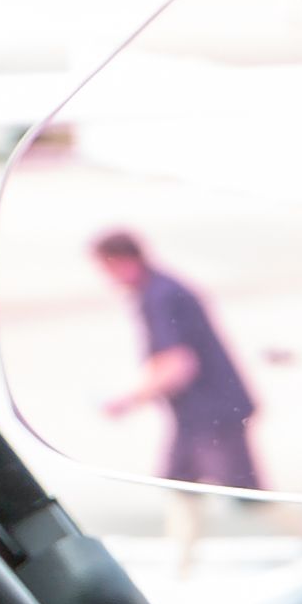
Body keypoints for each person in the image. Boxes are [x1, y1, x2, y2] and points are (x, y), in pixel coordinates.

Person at [91, 229, 257, 550]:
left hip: (213, 413)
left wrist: (128, 400)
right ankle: (182, 566)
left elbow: (178, 363)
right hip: (195, 414)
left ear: (121, 262)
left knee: (251, 497)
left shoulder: (161, 295)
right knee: (180, 486)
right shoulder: (156, 291)